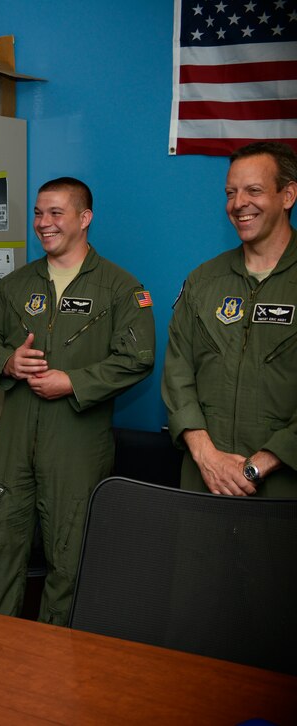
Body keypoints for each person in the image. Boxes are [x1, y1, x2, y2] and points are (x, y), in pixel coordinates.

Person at [0, 177, 154, 626]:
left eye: (56, 213)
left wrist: (72, 382)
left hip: (77, 444)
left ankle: (60, 670)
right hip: (14, 443)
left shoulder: (119, 288)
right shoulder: (16, 285)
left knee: (69, 561)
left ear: (84, 219)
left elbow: (138, 357)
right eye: (38, 213)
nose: (43, 223)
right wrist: (9, 362)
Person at [162, 142, 297, 497]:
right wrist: (207, 457)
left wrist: (258, 465)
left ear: (288, 195)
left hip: (281, 490)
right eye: (231, 193)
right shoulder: (203, 282)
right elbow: (178, 374)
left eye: (254, 190)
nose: (239, 204)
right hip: (203, 482)